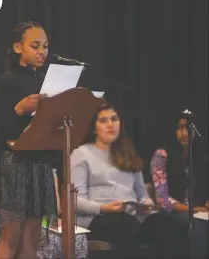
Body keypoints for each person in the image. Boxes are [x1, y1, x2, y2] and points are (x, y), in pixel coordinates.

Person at [70, 103, 180, 258]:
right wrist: (104, 208)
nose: (110, 125)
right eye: (103, 120)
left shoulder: (128, 152)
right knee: (125, 226)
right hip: (97, 218)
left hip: (131, 216)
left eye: (114, 119)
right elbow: (75, 201)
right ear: (94, 128)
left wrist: (146, 205)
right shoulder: (81, 154)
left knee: (165, 225)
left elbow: (142, 194)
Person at [0, 21, 58, 259]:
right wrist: (19, 109)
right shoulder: (6, 82)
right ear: (18, 48)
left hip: (40, 162)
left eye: (45, 47)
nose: (42, 52)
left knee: (32, 236)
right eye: (35, 46)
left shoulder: (46, 83)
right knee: (12, 235)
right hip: (15, 162)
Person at [150, 109, 209, 258]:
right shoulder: (162, 155)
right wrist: (192, 210)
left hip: (200, 210)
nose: (184, 132)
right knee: (198, 224)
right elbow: (162, 199)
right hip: (174, 212)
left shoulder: (203, 156)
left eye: (189, 127)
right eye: (180, 127)